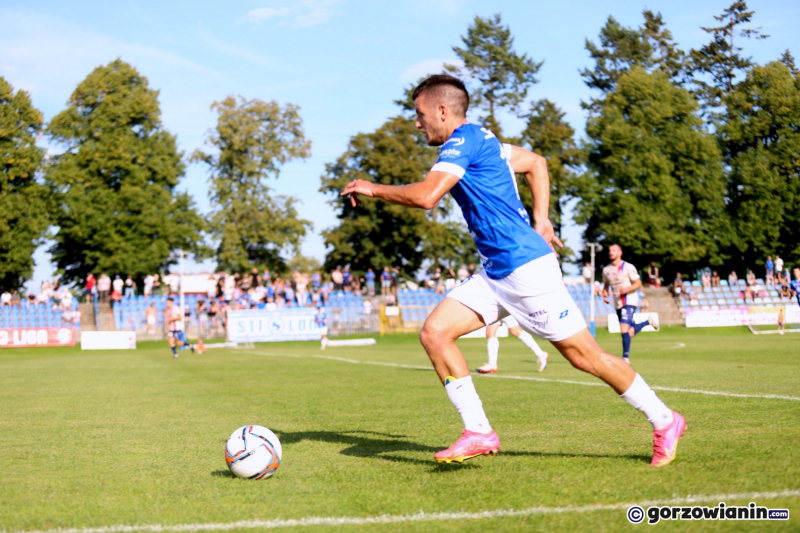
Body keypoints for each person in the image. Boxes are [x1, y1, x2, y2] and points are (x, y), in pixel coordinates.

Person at [340, 74, 684, 467]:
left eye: (419, 115)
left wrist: (372, 187)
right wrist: (543, 220)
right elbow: (536, 163)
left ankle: (665, 420)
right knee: (435, 333)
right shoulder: (484, 140)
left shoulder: (462, 142)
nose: (417, 123)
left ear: (441, 110)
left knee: (585, 357)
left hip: (527, 271)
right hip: (496, 273)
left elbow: (426, 197)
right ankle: (478, 431)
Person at [602, 244, 659, 363]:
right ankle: (647, 321)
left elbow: (638, 284)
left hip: (630, 300)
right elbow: (606, 285)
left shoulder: (628, 267)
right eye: (610, 250)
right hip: (617, 302)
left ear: (620, 253)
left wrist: (627, 289)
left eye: (614, 250)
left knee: (623, 328)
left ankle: (625, 358)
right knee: (629, 332)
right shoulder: (606, 270)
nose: (611, 252)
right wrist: (605, 293)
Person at [476, 316, 549, 374]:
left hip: (502, 302)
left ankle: (540, 354)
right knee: (492, 332)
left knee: (514, 330)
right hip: (498, 303)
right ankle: (492, 364)